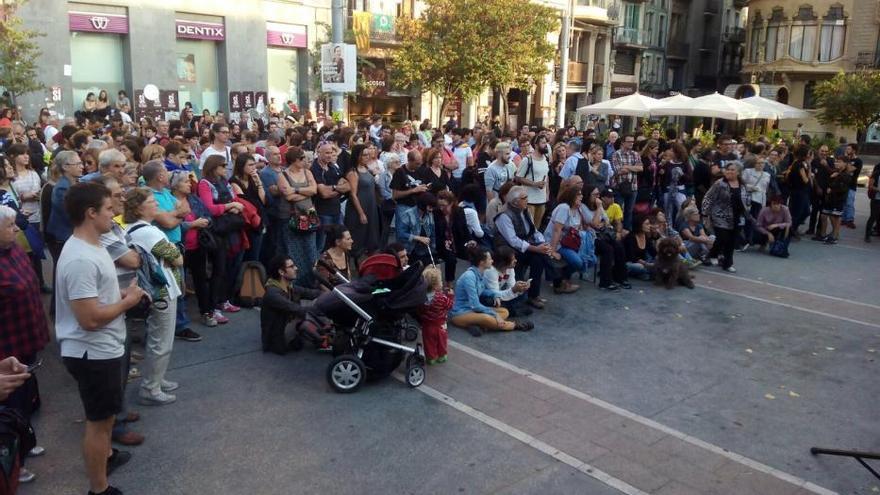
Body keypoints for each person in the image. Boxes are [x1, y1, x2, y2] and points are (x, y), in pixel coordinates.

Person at [55, 181, 146, 495]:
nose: (114, 213)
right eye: (108, 209)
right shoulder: (81, 257)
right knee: (99, 423)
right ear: (90, 213)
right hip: (92, 352)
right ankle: (99, 488)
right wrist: (127, 302)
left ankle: (106, 456)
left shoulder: (93, 245)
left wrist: (118, 294)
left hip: (102, 348)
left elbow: (93, 298)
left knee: (105, 420)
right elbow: (90, 318)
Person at [0, 204, 50, 484]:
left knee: (26, 395)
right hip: (6, 343)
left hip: (26, 335)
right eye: (9, 226)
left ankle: (25, 442)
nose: (17, 229)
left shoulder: (13, 249)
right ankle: (13, 459)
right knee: (11, 402)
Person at [123, 188, 183, 406]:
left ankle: (156, 378)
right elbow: (177, 259)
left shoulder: (131, 228)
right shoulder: (150, 232)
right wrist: (175, 255)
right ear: (139, 207)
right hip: (162, 290)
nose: (156, 204)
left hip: (153, 289)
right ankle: (151, 388)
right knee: (162, 341)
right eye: (151, 201)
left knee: (157, 338)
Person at [494, 185, 567, 308]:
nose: (527, 199)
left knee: (538, 258)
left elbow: (534, 231)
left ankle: (534, 296)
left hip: (526, 247)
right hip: (509, 251)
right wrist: (537, 248)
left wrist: (544, 244)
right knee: (539, 254)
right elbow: (513, 241)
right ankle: (556, 278)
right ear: (515, 202)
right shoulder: (504, 216)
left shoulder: (525, 211)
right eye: (524, 197)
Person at [198, 155, 245, 319]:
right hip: (216, 231)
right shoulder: (205, 184)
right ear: (214, 166)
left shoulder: (225, 182)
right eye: (223, 165)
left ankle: (225, 299)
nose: (226, 168)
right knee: (218, 268)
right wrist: (230, 206)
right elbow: (209, 208)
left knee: (230, 266)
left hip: (230, 228)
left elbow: (234, 199)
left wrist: (232, 206)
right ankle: (213, 307)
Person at [449, 246, 524, 336]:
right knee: (487, 318)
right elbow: (475, 305)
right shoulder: (469, 277)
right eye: (490, 259)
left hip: (473, 311)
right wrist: (495, 315)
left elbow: (486, 291)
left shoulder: (481, 274)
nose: (492, 261)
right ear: (482, 262)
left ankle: (477, 325)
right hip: (460, 313)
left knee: (505, 311)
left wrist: (507, 292)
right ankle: (513, 326)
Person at [260, 255, 321, 355]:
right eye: (292, 266)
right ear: (281, 272)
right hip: (278, 340)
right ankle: (324, 340)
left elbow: (310, 293)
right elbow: (295, 309)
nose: (296, 268)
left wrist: (335, 293)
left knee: (312, 312)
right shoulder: (273, 294)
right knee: (308, 319)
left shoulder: (288, 286)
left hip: (288, 327)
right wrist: (323, 308)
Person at [277, 147, 319, 286]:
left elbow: (314, 190)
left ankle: (312, 281)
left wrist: (295, 190)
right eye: (302, 158)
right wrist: (305, 193)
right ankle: (296, 284)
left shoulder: (307, 172)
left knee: (311, 249)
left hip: (310, 214)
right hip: (291, 216)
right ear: (294, 160)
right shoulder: (283, 175)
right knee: (294, 250)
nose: (305, 161)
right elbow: (288, 196)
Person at [702, 162, 749, 272]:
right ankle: (712, 254)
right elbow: (708, 198)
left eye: (732, 170)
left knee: (731, 242)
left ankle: (727, 264)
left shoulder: (742, 185)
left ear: (738, 172)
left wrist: (747, 210)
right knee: (723, 237)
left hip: (737, 216)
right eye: (727, 169)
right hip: (720, 215)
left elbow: (746, 199)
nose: (729, 172)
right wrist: (705, 213)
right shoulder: (720, 183)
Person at [582, 185, 630, 290]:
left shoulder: (599, 206)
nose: (597, 197)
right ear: (588, 195)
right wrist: (599, 208)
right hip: (590, 238)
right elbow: (594, 223)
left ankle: (620, 277)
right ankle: (605, 282)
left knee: (619, 246)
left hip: (601, 234)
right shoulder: (583, 207)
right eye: (595, 194)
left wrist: (602, 223)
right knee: (608, 249)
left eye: (598, 194)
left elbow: (607, 221)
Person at [543, 184, 586, 292]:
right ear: (572, 196)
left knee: (588, 259)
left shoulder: (577, 209)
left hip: (569, 242)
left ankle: (563, 280)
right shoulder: (564, 208)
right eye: (578, 194)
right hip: (556, 242)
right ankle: (562, 280)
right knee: (578, 262)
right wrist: (552, 250)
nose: (581, 196)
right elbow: (557, 230)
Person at [343, 144, 381, 257]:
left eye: (368, 154)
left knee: (371, 236)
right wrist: (361, 213)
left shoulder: (366, 168)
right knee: (358, 237)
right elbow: (353, 195)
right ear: (357, 156)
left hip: (371, 206)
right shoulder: (353, 172)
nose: (367, 157)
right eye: (364, 155)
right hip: (359, 208)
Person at [311, 142, 350, 251]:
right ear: (319, 153)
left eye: (331, 152)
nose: (329, 155)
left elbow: (347, 185)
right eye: (327, 153)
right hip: (323, 213)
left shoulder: (333, 166)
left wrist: (333, 188)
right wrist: (338, 188)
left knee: (340, 240)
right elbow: (324, 193)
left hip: (336, 210)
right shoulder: (315, 168)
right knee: (323, 244)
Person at [230, 153, 266, 262]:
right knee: (247, 256)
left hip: (259, 219)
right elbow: (245, 202)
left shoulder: (253, 178)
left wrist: (258, 183)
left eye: (254, 164)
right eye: (250, 165)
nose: (253, 168)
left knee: (257, 254)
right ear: (241, 166)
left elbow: (263, 200)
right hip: (247, 222)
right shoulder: (234, 181)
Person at [417, 266, 455, 364]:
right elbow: (450, 305)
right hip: (440, 324)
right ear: (435, 286)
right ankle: (442, 356)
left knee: (428, 342)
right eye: (440, 282)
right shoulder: (441, 297)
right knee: (441, 341)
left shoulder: (421, 297)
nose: (442, 283)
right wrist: (450, 296)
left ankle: (431, 358)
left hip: (427, 325)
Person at [482, 245, 532, 318]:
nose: (516, 261)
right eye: (513, 259)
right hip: (488, 295)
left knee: (523, 295)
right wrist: (514, 290)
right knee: (491, 301)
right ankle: (511, 311)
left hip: (499, 293)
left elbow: (511, 286)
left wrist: (520, 289)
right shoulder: (491, 271)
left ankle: (508, 309)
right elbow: (495, 294)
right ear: (504, 262)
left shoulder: (510, 269)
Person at [514, 134, 550, 227]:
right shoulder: (527, 159)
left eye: (546, 142)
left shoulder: (546, 159)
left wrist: (547, 193)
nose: (545, 145)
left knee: (537, 227)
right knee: (529, 226)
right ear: (536, 145)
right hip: (529, 199)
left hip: (541, 199)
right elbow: (518, 177)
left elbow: (546, 177)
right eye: (543, 143)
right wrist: (534, 184)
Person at [815, 156, 851, 245]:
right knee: (823, 215)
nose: (836, 163)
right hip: (829, 198)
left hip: (838, 199)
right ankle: (823, 235)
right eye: (836, 161)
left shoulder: (846, 175)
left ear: (845, 164)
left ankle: (835, 236)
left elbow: (843, 188)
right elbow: (830, 180)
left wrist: (832, 189)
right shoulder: (836, 172)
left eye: (839, 162)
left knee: (835, 218)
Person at [611, 134, 642, 230]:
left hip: (633, 187)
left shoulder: (635, 154)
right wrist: (633, 168)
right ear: (623, 142)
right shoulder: (616, 154)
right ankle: (617, 231)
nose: (631, 143)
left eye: (632, 142)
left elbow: (640, 168)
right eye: (629, 141)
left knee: (629, 211)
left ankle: (627, 231)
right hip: (619, 187)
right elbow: (618, 171)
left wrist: (626, 166)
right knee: (618, 211)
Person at [397, 192, 437, 267]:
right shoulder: (407, 214)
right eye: (430, 207)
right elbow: (401, 234)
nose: (431, 210)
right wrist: (418, 238)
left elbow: (432, 232)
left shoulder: (429, 214)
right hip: (410, 250)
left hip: (425, 250)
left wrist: (433, 248)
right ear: (423, 205)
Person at [786, 144, 812, 239]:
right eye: (809, 153)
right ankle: (790, 231)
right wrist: (809, 169)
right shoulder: (799, 164)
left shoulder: (803, 163)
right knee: (796, 213)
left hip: (803, 191)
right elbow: (806, 180)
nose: (810, 155)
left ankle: (793, 229)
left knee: (805, 211)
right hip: (798, 192)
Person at [623, 214, 657, 280]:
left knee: (659, 262)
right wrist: (647, 264)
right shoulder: (630, 237)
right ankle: (651, 273)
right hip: (630, 262)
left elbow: (653, 252)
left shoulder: (646, 237)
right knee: (640, 267)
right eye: (647, 224)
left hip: (644, 261)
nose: (649, 226)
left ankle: (644, 274)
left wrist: (662, 259)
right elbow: (631, 257)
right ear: (639, 225)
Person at [842, 143, 862, 229]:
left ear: (854, 150)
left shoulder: (858, 161)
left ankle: (850, 220)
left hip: (851, 185)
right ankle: (843, 219)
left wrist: (847, 161)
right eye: (847, 149)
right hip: (843, 184)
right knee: (843, 202)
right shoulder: (846, 159)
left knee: (849, 203)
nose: (847, 150)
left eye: (849, 149)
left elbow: (849, 170)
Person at [865, 163, 880, 243]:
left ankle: (878, 231)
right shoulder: (877, 173)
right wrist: (878, 189)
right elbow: (870, 186)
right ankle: (867, 235)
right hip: (876, 199)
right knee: (873, 217)